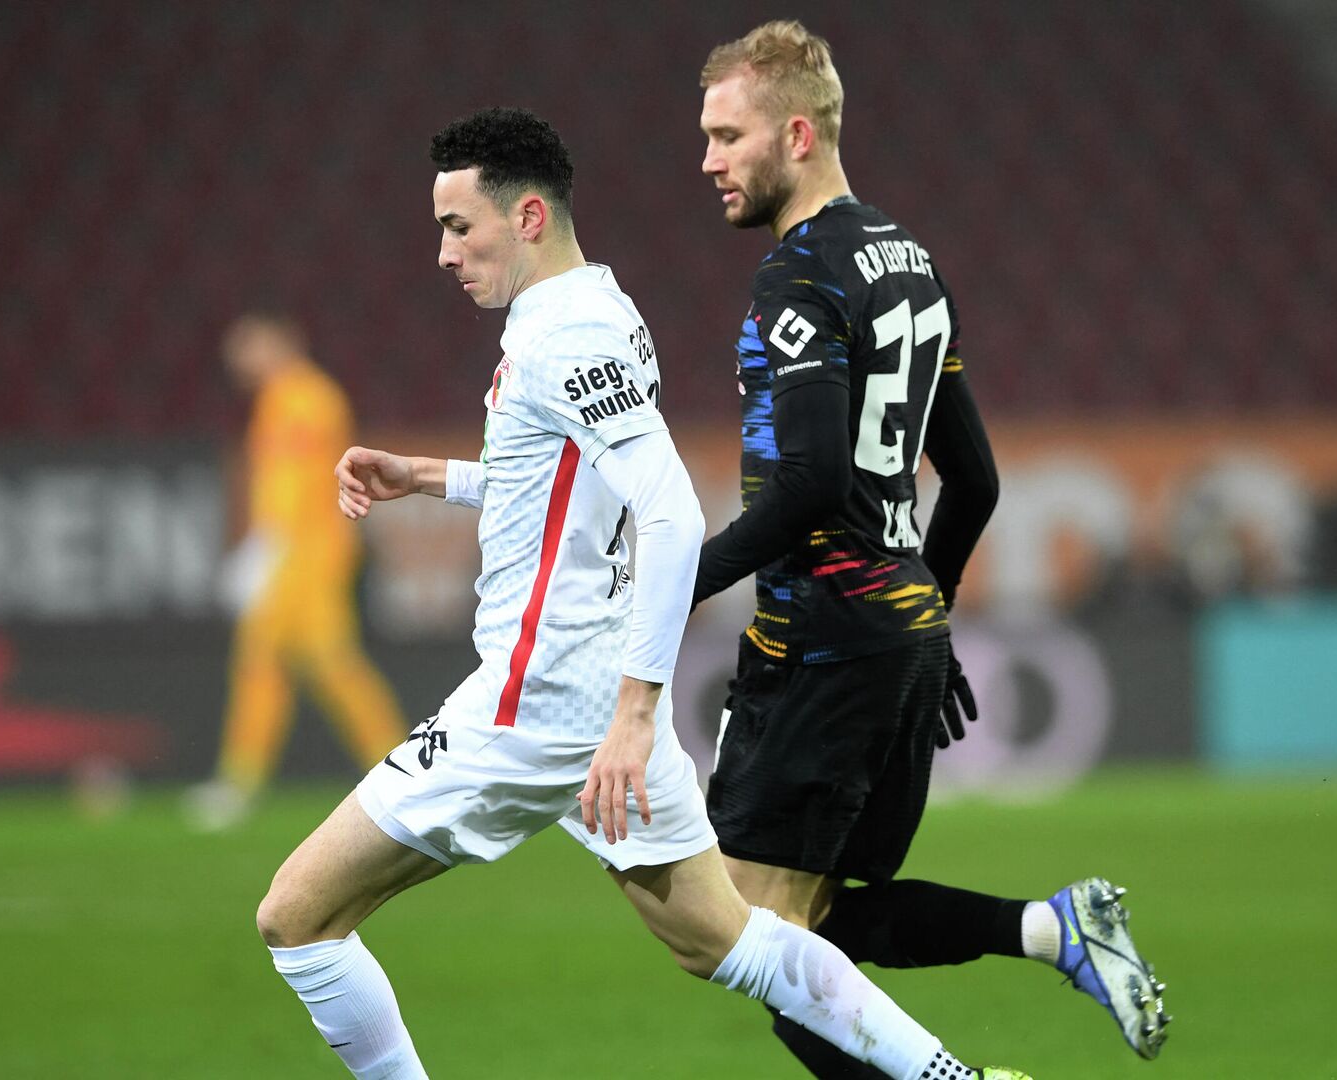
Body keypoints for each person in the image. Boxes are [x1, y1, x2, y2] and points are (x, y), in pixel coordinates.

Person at [256, 106, 1030, 1080]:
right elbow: (567, 490)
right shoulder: (602, 308)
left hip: (534, 704)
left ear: (528, 216)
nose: (443, 255)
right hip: (591, 694)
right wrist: (432, 476)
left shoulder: (561, 338)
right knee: (727, 938)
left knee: (297, 918)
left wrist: (634, 711)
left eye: (459, 228)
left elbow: (665, 509)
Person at [690, 21, 1169, 1071]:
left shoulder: (800, 276)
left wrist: (683, 580)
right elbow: (977, 479)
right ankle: (1049, 931)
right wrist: (930, 607)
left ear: (800, 135)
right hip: (897, 634)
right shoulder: (907, 262)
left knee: (743, 937)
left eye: (729, 136)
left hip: (820, 640)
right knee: (800, 938)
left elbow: (810, 484)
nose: (710, 161)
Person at [186, 313, 406, 831]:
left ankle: (396, 765)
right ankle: (245, 779)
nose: (239, 360)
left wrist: (268, 547)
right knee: (272, 662)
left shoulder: (303, 398)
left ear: (281, 342)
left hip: (307, 556)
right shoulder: (286, 398)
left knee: (320, 663)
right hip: (297, 554)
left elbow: (297, 483)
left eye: (249, 346)